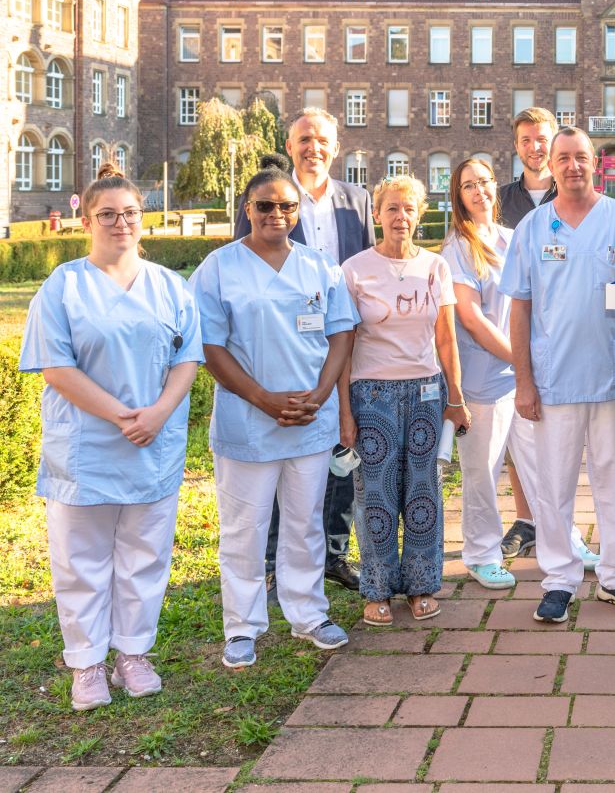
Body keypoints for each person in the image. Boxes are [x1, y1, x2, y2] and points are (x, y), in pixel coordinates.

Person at [20, 176, 202, 710]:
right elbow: (56, 367)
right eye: (108, 214)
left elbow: (186, 357)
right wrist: (125, 417)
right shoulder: (64, 286)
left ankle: (133, 654)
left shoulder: (170, 285)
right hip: (87, 447)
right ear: (87, 221)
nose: (121, 223)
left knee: (145, 554)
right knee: (81, 560)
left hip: (152, 441)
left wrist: (160, 413)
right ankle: (86, 663)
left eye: (130, 213)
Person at [192, 167, 358, 668]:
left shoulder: (319, 266)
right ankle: (242, 627)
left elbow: (341, 334)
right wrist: (263, 399)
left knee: (305, 523)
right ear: (248, 209)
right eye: (266, 206)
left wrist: (321, 396)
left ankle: (309, 614)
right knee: (245, 527)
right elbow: (210, 346)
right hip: (249, 421)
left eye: (287, 206)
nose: (277, 214)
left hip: (310, 419)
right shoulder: (219, 268)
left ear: (298, 211)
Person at [500, 126, 615, 623]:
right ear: (553, 164)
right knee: (554, 485)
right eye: (563, 158)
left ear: (596, 161)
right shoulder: (534, 229)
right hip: (553, 381)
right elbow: (518, 310)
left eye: (581, 157)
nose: (572, 166)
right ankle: (560, 578)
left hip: (613, 379)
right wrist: (523, 381)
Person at [235, 108, 375, 597]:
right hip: (280, 343)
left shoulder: (357, 200)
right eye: (304, 139)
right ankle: (277, 561)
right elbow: (244, 263)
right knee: (284, 448)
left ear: (336, 146)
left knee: (340, 444)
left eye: (322, 139)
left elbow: (368, 265)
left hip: (340, 339)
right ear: (290, 145)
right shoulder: (267, 194)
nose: (313, 146)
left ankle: (333, 554)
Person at [340, 175, 469, 625]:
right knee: (374, 493)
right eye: (392, 208)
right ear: (377, 214)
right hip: (370, 393)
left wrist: (456, 397)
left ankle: (421, 586)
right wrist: (344, 411)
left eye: (409, 208)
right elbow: (343, 345)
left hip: (425, 393)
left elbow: (447, 340)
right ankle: (376, 587)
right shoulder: (354, 270)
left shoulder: (435, 267)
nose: (401, 217)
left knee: (423, 491)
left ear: (420, 214)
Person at [493, 108, 596, 567]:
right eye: (527, 140)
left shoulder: (577, 193)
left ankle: (564, 525)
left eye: (543, 140)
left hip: (570, 330)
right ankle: (526, 518)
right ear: (517, 146)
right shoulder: (499, 199)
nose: (536, 148)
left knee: (568, 439)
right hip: (514, 320)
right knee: (524, 430)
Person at [442, 158, 522, 590]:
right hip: (483, 380)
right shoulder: (457, 247)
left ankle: (562, 541)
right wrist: (519, 359)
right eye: (468, 185)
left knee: (542, 467)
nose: (478, 191)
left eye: (484, 182)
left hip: (522, 376)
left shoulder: (512, 238)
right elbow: (471, 318)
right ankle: (481, 554)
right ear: (459, 196)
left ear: (496, 187)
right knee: (483, 472)